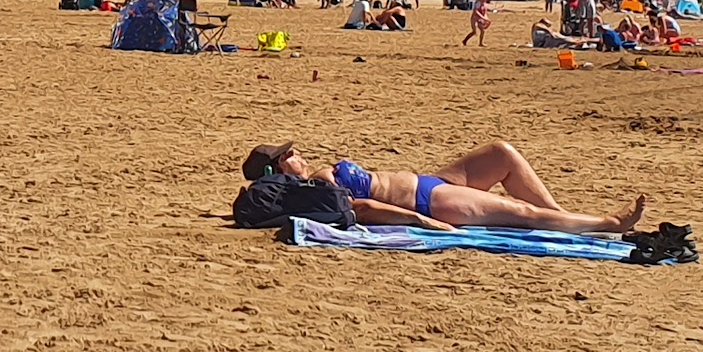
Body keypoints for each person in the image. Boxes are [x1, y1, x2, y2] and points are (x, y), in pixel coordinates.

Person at [242, 140, 646, 234]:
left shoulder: (319, 175)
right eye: (289, 154)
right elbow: (365, 208)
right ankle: (608, 225)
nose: (298, 153)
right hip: (430, 201)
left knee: (502, 153)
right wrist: (424, 222)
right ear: (280, 168)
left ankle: (562, 215)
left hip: (434, 181)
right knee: (522, 214)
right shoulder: (317, 183)